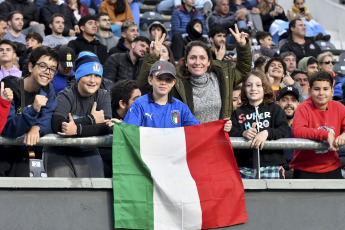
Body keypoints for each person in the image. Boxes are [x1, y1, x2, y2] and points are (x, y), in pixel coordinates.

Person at [138, 24, 251, 122]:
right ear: (186, 62)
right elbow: (145, 87)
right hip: (188, 142)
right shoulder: (174, 81)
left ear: (208, 62)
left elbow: (243, 70)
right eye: (193, 58)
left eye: (202, 58)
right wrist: (152, 57)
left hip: (216, 140)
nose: (197, 62)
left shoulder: (223, 76)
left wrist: (242, 47)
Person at [44, 51, 111, 178]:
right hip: (59, 152)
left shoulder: (103, 95)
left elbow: (106, 126)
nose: (93, 80)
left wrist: (76, 129)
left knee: (93, 196)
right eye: (88, 75)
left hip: (88, 151)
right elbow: (58, 125)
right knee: (64, 197)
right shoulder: (66, 94)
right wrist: (91, 119)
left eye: (97, 76)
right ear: (79, 76)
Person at [0, 46, 58, 177]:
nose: (47, 72)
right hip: (4, 151)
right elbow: (8, 128)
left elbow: (50, 118)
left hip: (25, 155)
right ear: (31, 67)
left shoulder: (48, 90)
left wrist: (37, 128)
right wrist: (33, 110)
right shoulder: (9, 87)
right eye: (43, 66)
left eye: (52, 69)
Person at [229, 70, 289, 179]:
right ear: (244, 89)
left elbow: (284, 130)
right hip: (244, 166)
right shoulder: (237, 112)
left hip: (270, 165)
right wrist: (243, 133)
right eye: (249, 85)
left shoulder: (275, 109)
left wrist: (267, 133)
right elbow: (231, 132)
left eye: (258, 85)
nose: (253, 89)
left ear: (265, 89)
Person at [290, 71, 345, 179]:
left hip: (332, 167)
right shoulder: (303, 108)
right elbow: (298, 131)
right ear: (310, 91)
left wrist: (344, 135)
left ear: (332, 91)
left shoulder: (339, 107)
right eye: (316, 89)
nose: (321, 93)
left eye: (325, 89)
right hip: (304, 169)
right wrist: (325, 134)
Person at [99, 79, 141, 177]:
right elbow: (98, 150)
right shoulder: (106, 120)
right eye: (136, 100)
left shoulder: (145, 117)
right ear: (122, 104)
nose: (141, 103)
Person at [276, 86, 300, 179]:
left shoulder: (303, 127)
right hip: (280, 171)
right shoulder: (271, 126)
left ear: (299, 104)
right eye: (285, 100)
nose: (289, 104)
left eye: (293, 100)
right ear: (277, 103)